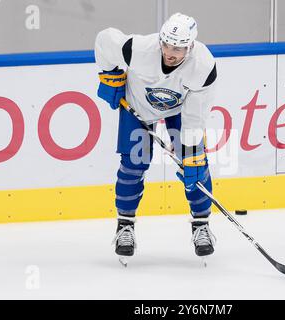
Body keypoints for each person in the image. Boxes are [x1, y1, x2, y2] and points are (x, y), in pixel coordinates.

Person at [94, 13, 217, 262]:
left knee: (195, 164)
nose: (170, 52)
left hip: (181, 110)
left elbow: (196, 116)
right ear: (160, 40)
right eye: (167, 45)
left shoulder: (203, 66)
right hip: (138, 107)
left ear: (190, 46)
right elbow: (105, 40)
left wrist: (191, 151)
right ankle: (125, 226)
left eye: (178, 48)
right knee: (133, 164)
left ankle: (201, 225)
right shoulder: (138, 49)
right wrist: (110, 75)